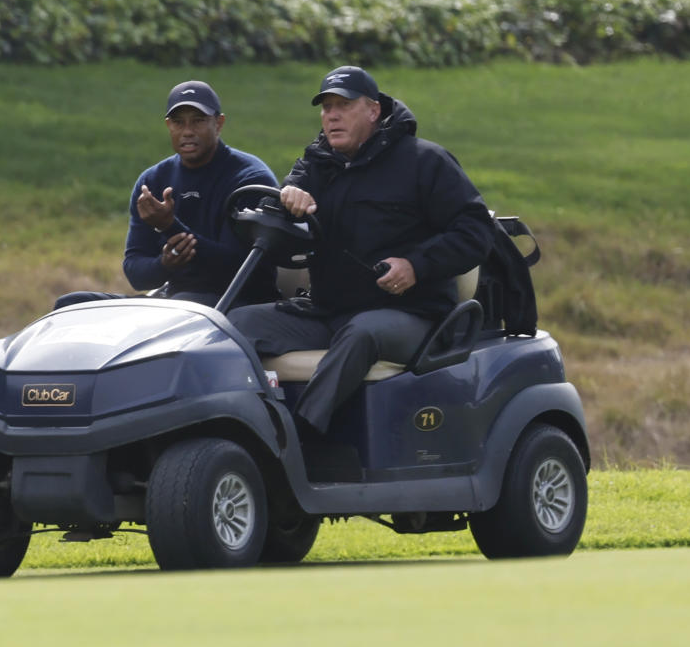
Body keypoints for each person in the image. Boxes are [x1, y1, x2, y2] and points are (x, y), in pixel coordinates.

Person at [227, 66, 496, 435]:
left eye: (343, 105)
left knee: (362, 333)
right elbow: (289, 198)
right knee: (235, 326)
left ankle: (295, 438)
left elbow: (476, 230)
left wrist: (416, 266)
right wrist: (290, 194)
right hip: (328, 311)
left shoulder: (424, 161)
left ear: (373, 111)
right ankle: (233, 425)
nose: (331, 115)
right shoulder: (318, 162)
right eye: (326, 108)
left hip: (411, 315)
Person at [54, 81, 280, 310]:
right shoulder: (152, 181)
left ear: (219, 123)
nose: (187, 131)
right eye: (178, 122)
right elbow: (137, 275)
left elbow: (240, 270)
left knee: (186, 305)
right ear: (168, 125)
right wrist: (165, 265)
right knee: (71, 305)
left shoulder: (249, 178)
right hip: (174, 302)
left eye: (198, 121)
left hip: (235, 304)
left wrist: (169, 226)